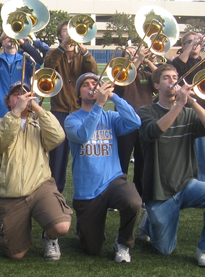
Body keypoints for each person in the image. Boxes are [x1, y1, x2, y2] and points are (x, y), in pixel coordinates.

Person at [138, 64, 205, 267]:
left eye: (175, 77)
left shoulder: (188, 112)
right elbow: (154, 131)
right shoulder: (146, 111)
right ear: (156, 86)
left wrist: (192, 102)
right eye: (167, 78)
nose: (173, 81)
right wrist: (179, 105)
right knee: (164, 250)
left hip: (186, 184)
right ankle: (148, 221)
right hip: (160, 190)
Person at [0, 82, 71, 260]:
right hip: (11, 194)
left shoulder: (38, 125)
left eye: (25, 94)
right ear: (8, 101)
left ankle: (49, 237)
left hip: (40, 187)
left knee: (61, 226)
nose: (21, 97)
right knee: (16, 254)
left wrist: (38, 109)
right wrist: (16, 112)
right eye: (16, 94)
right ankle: (9, 232)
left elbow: (58, 136)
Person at [65, 73, 142, 262]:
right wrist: (98, 105)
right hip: (87, 190)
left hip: (113, 180)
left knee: (133, 202)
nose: (92, 86)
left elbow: (135, 122)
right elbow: (83, 136)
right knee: (92, 249)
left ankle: (123, 243)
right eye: (86, 84)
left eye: (96, 83)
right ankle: (83, 228)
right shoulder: (71, 120)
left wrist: (113, 96)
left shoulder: (111, 117)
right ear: (79, 94)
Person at [0, 34, 42, 211]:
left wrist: (24, 42)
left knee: (25, 151)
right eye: (8, 36)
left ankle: (26, 189)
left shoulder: (26, 60)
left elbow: (40, 60)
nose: (10, 39)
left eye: (13, 36)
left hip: (23, 112)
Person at [43, 20, 98, 192]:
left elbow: (94, 72)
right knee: (58, 157)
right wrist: (62, 48)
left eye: (72, 32)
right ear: (60, 36)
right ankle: (56, 193)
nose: (69, 35)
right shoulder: (53, 54)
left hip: (80, 112)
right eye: (66, 32)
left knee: (86, 154)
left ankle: (89, 191)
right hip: (59, 111)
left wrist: (85, 52)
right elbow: (48, 67)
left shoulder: (82, 56)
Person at [171, 31, 205, 185]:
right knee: (179, 154)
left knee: (202, 155)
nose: (195, 44)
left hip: (201, 112)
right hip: (181, 113)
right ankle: (180, 185)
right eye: (190, 41)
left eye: (197, 42)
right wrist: (192, 45)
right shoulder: (178, 61)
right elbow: (178, 67)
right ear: (183, 45)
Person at [114, 45, 157, 198]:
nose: (135, 55)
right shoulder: (119, 74)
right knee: (121, 161)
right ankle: (120, 195)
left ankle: (141, 195)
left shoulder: (147, 73)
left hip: (145, 122)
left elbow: (161, 80)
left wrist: (149, 62)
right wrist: (138, 60)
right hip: (124, 123)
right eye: (131, 54)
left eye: (136, 53)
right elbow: (122, 82)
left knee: (143, 161)